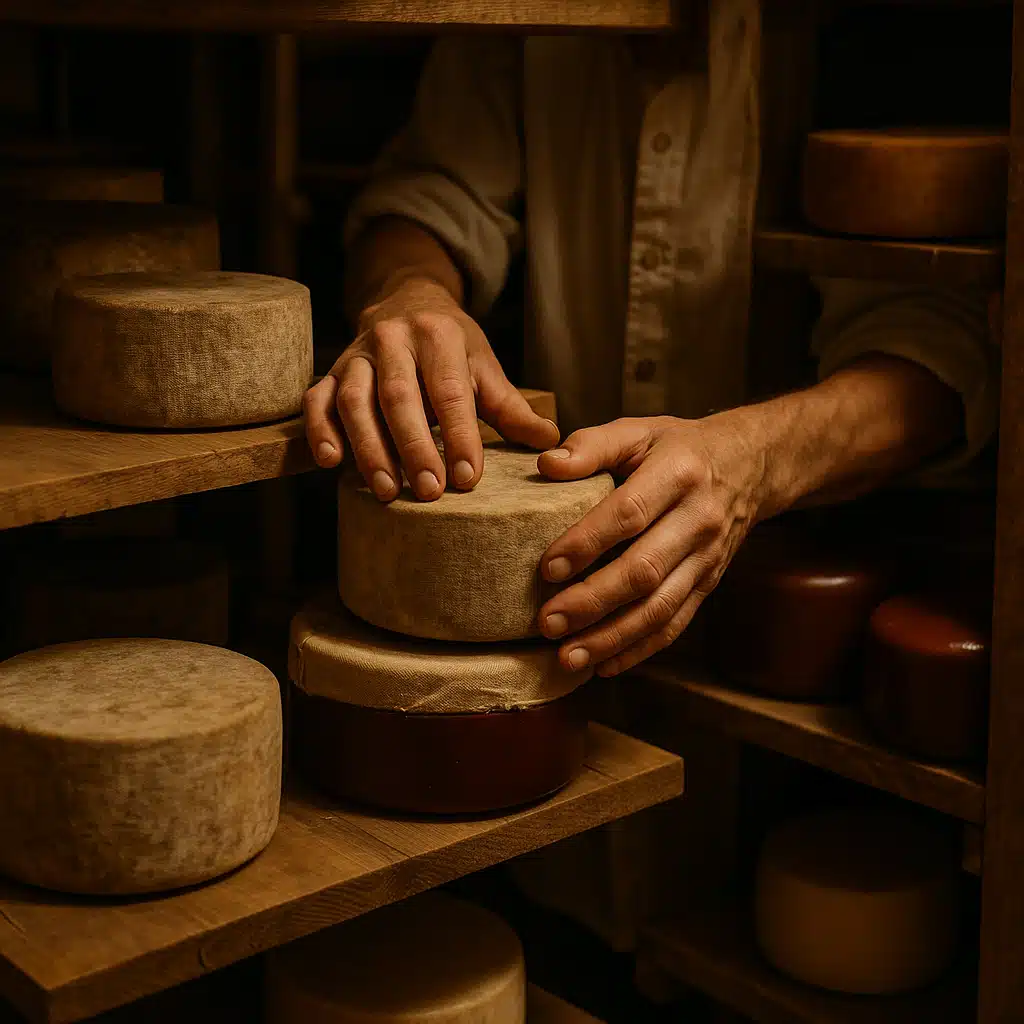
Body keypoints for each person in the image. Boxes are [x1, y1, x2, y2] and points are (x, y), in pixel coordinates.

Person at [304, 1, 997, 683]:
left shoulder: (872, 32)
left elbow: (943, 350)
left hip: (819, 621)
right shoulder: (511, 17)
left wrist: (753, 460)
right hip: (553, 627)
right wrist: (410, 288)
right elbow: (433, 192)